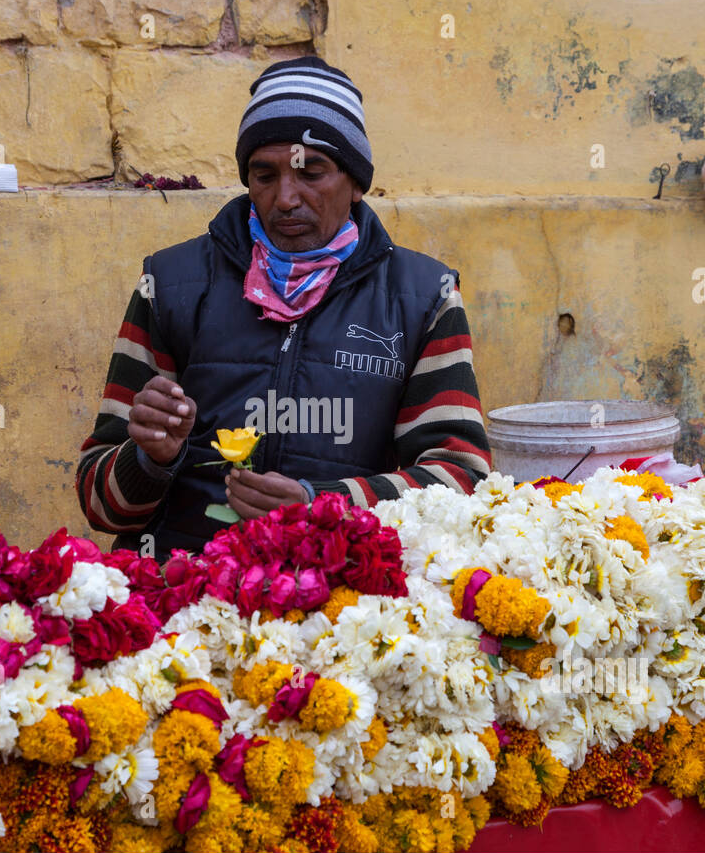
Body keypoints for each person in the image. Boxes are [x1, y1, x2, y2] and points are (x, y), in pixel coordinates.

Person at [76, 56, 491, 559]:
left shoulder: (424, 297)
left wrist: (325, 505)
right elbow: (101, 506)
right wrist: (149, 458)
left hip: (347, 603)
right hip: (184, 597)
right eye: (264, 175)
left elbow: (461, 482)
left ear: (356, 182)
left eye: (311, 171)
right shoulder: (169, 284)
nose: (285, 198)